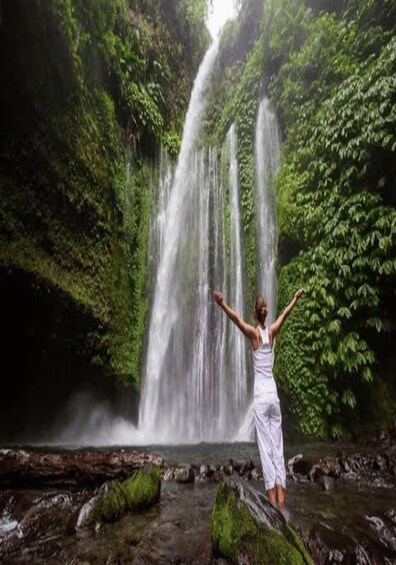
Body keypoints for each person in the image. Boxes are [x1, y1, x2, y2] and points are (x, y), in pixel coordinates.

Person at [212, 288, 304, 508]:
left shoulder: (254, 335)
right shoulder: (271, 333)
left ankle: (273, 505)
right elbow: (285, 315)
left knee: (265, 449)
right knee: (278, 448)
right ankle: (283, 501)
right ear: (265, 312)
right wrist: (294, 298)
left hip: (262, 399)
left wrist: (222, 303)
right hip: (273, 398)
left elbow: (235, 320)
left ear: (255, 314)